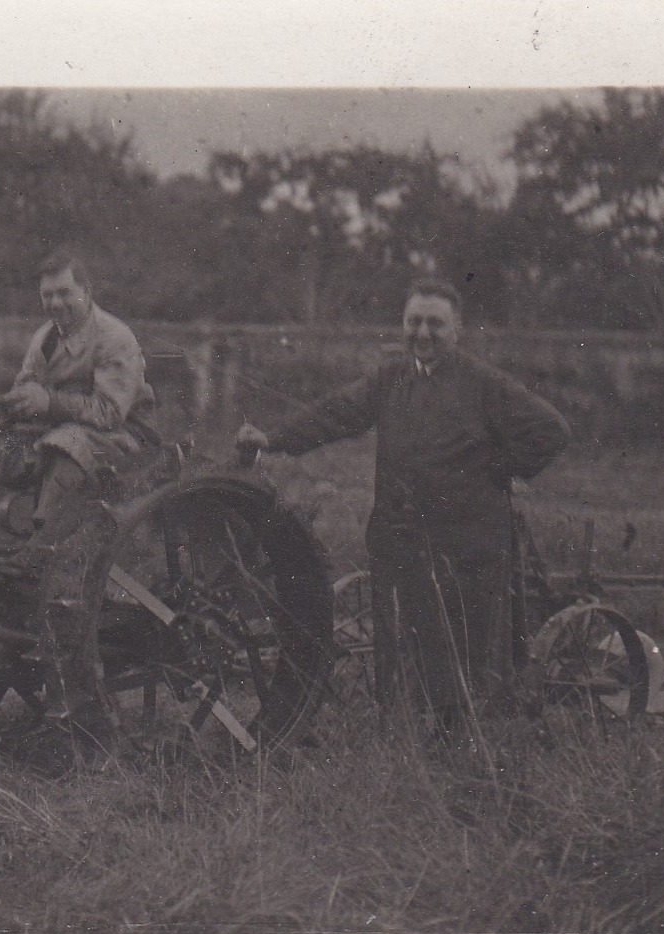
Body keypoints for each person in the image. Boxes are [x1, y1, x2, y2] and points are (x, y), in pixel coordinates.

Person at [237, 277, 569, 740]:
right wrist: (274, 438)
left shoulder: (484, 384)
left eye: (436, 323)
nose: (423, 333)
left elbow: (551, 430)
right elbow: (336, 412)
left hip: (466, 542)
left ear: (458, 330)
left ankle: (463, 738)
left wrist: (500, 471)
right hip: (403, 535)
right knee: (405, 638)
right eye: (414, 322)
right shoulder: (390, 378)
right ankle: (410, 731)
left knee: (464, 649)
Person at [2, 250, 159, 563]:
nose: (55, 303)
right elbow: (25, 387)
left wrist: (49, 402)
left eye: (64, 293)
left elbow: (110, 412)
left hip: (126, 438)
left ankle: (39, 555)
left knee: (67, 449)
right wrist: (2, 407)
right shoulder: (44, 338)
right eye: (47, 296)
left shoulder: (114, 337)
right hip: (64, 432)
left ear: (86, 292)